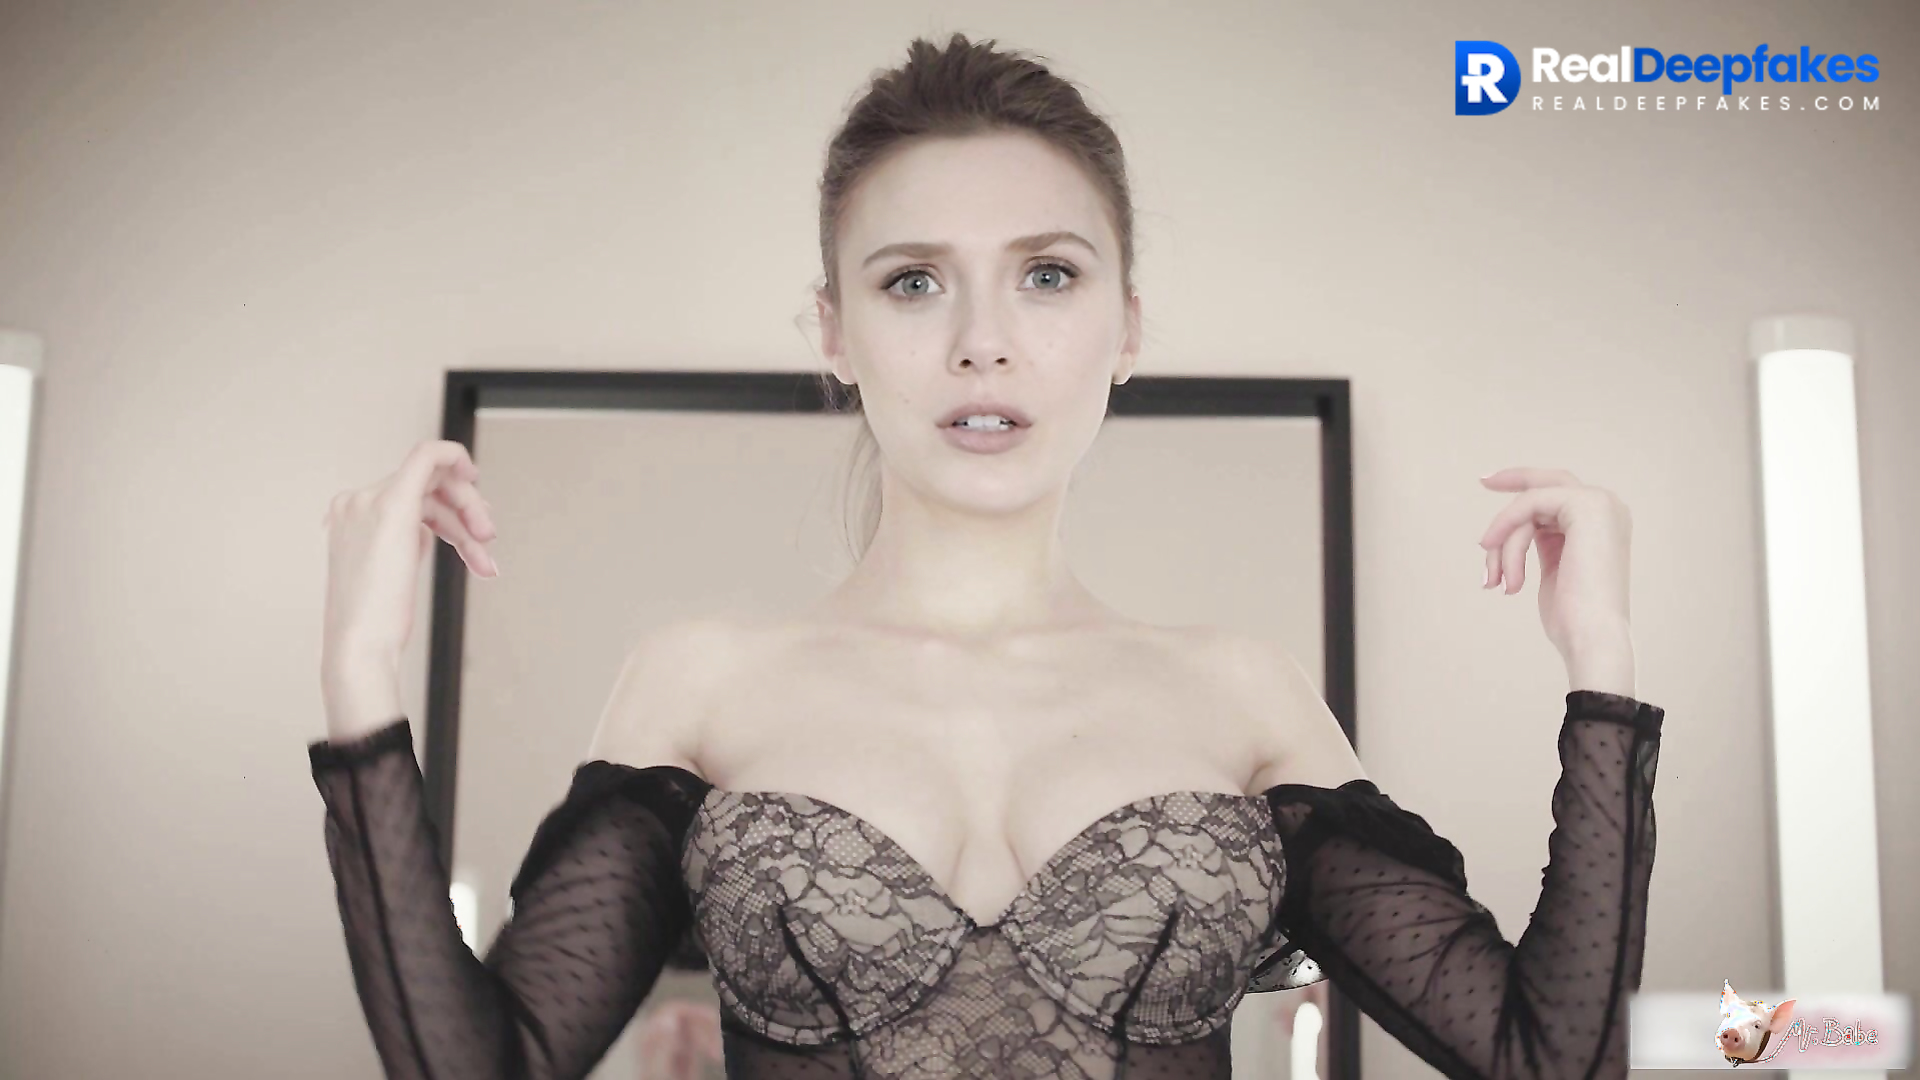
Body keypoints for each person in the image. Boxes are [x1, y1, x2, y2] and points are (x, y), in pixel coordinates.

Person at [310, 32, 1664, 1080]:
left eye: (1047, 275)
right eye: (913, 281)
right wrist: (361, 680)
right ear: (833, 332)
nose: (982, 343)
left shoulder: (1243, 693)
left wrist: (1602, 667)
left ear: (1127, 327)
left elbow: (1547, 1060)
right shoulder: (698, 681)